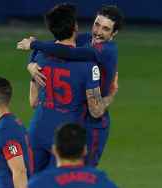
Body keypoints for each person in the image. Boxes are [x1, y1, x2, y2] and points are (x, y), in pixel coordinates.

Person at [17, 5, 123, 167]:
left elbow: (69, 53)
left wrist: (34, 46)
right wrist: (31, 63)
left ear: (114, 33)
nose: (98, 32)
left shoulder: (107, 50)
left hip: (95, 121)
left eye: (106, 29)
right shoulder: (87, 40)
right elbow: (57, 43)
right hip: (78, 114)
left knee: (80, 173)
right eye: (96, 24)